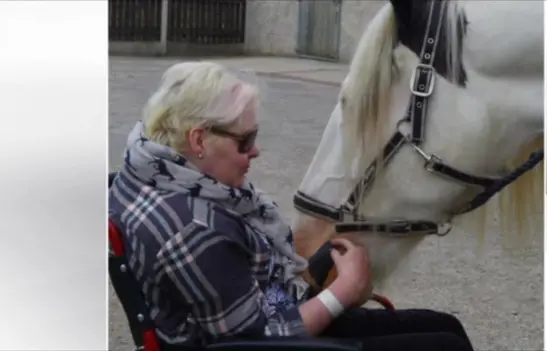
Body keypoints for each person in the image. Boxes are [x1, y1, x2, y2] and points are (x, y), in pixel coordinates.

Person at [108, 61, 474, 351]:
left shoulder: (152, 170)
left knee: (446, 326)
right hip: (262, 339)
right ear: (199, 139)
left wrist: (319, 271)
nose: (255, 151)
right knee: (445, 344)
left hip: (264, 311)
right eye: (245, 140)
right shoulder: (193, 232)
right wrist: (343, 290)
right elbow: (258, 339)